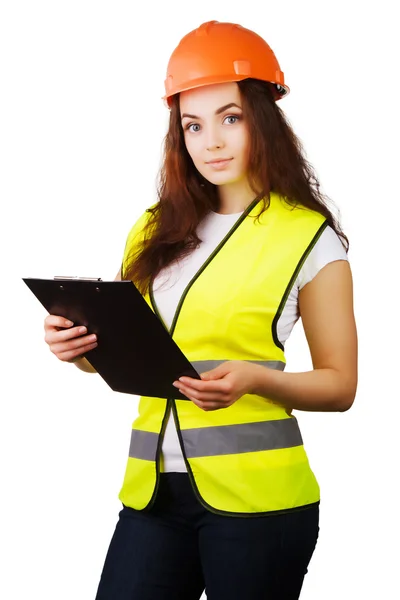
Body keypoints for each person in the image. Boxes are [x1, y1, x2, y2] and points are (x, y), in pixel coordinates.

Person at [43, 20, 358, 600]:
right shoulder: (154, 228)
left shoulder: (309, 238)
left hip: (261, 506)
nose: (210, 140)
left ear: (262, 118)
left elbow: (341, 386)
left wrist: (255, 380)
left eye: (229, 118)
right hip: (153, 495)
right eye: (192, 125)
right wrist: (79, 350)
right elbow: (132, 353)